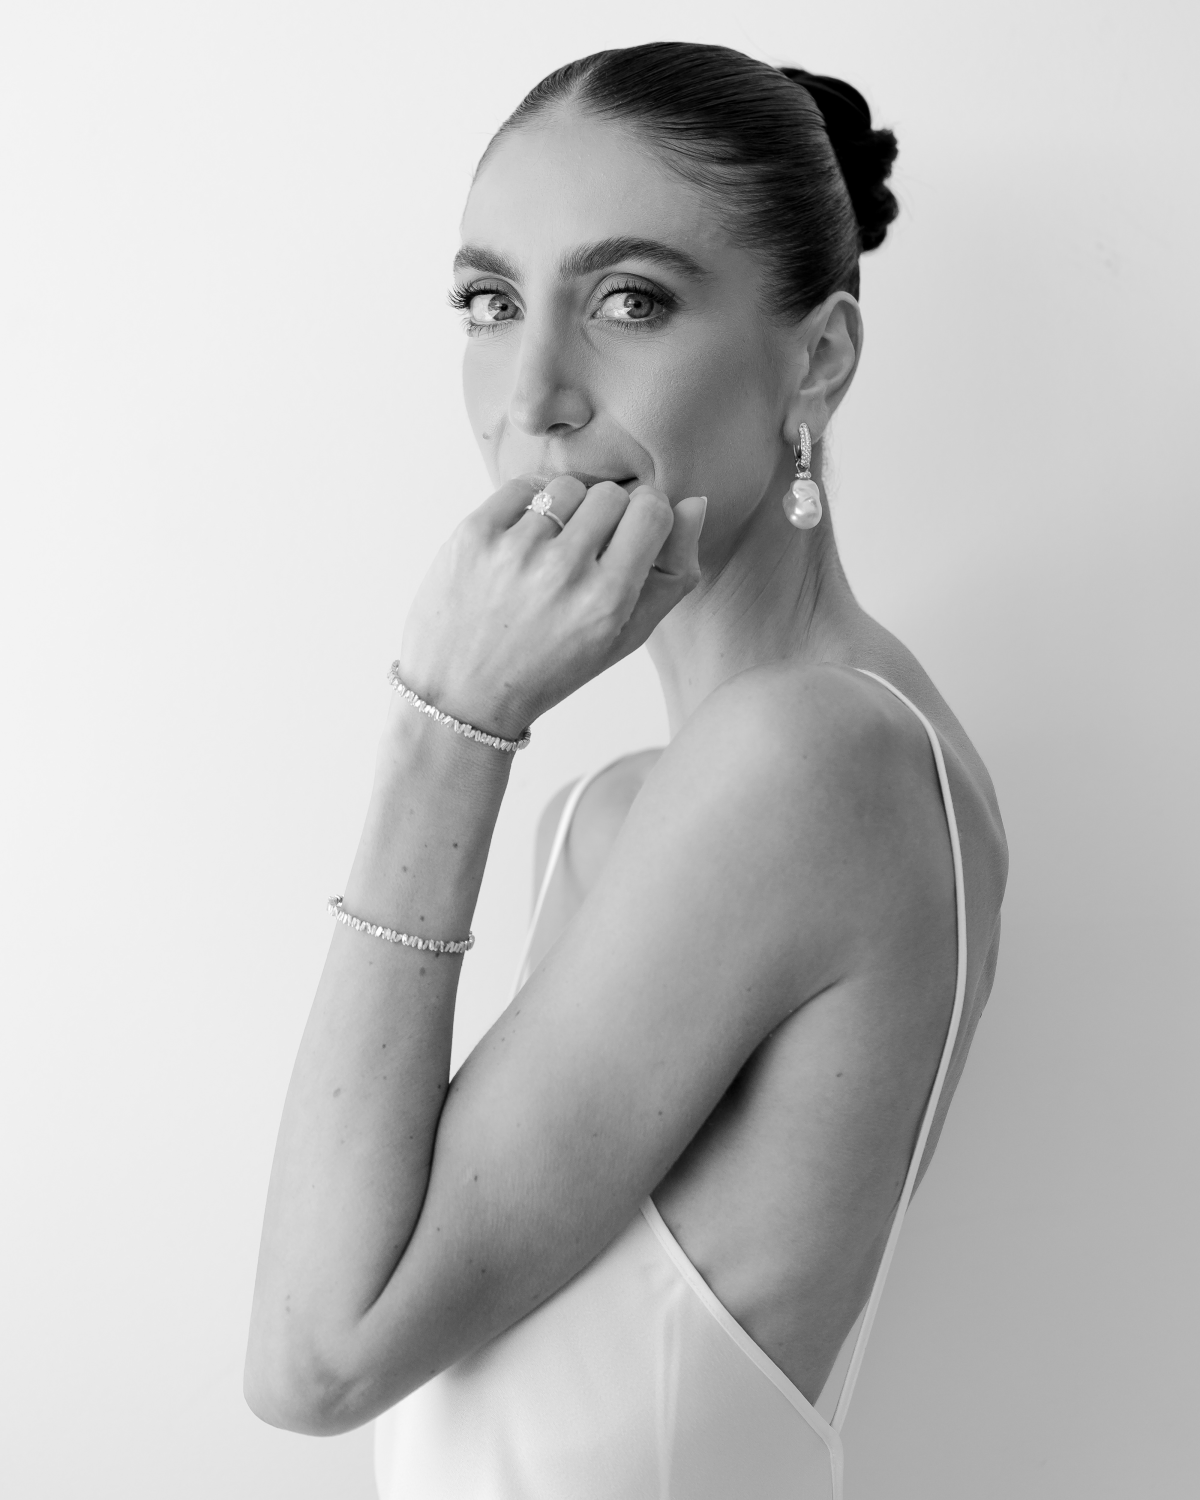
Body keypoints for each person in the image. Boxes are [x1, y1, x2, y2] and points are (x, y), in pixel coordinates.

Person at [244, 41, 1008, 1499]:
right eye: (490, 302)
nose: (531, 393)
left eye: (629, 301)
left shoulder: (811, 760)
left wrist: (445, 719)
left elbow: (314, 1358)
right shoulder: (609, 816)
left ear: (819, 360)